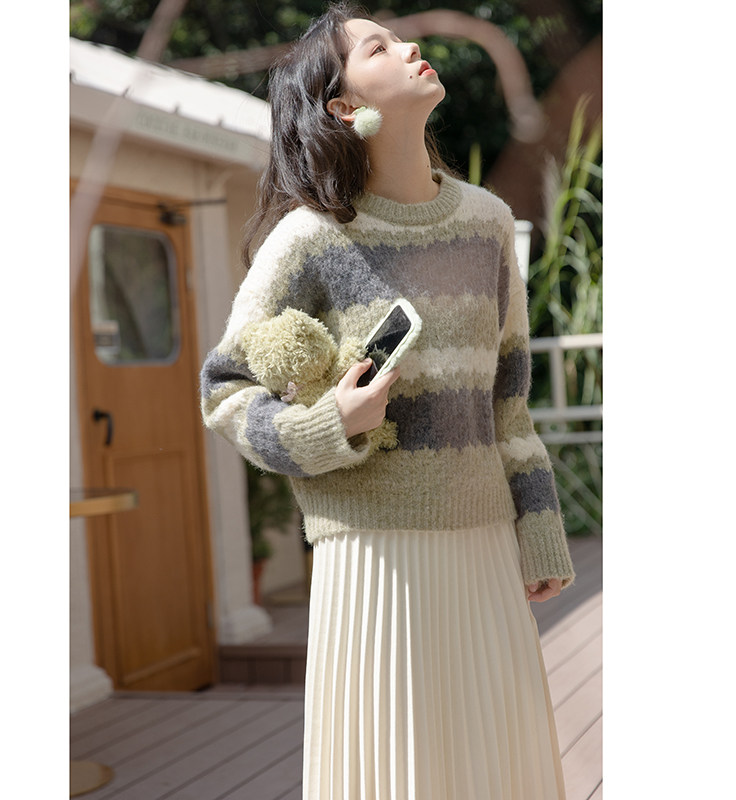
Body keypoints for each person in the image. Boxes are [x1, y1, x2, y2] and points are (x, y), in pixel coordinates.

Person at [200, 3, 576, 798]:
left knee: (493, 764)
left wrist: (540, 530)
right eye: (380, 47)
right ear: (344, 107)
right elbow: (224, 392)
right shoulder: (309, 238)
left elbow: (509, 404)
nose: (412, 48)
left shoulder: (487, 223)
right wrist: (328, 425)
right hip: (371, 558)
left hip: (482, 544)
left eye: (401, 37)